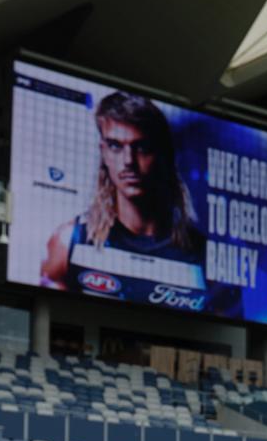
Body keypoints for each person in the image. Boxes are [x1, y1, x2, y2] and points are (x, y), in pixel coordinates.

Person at [41, 92, 204, 295]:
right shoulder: (69, 241)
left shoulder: (201, 253)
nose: (128, 161)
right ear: (103, 152)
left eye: (142, 147)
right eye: (115, 146)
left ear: (162, 154)